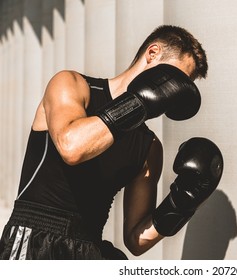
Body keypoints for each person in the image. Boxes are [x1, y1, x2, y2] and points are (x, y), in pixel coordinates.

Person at [0, 25, 223, 260]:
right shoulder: (73, 85)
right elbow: (72, 148)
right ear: (152, 53)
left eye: (183, 86)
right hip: (33, 241)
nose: (175, 91)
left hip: (88, 250)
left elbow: (136, 239)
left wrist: (182, 204)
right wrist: (136, 104)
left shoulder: (149, 147)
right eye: (175, 79)